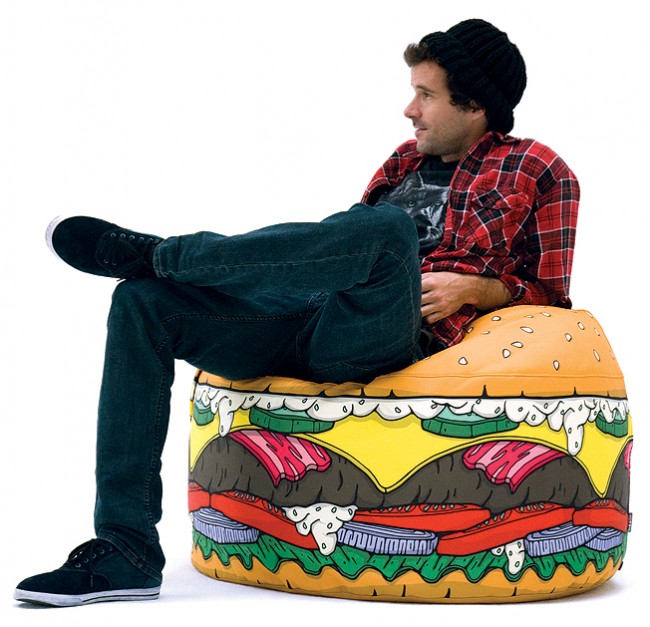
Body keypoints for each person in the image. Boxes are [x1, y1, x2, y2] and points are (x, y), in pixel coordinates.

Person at [14, 18, 579, 607]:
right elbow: (338, 248)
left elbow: (552, 294)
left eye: (426, 95)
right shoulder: (402, 163)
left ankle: (164, 255)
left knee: (388, 231)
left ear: (476, 104)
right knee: (141, 302)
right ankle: (125, 551)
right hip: (309, 312)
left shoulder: (540, 169)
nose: (410, 110)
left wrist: (476, 289)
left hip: (391, 336)